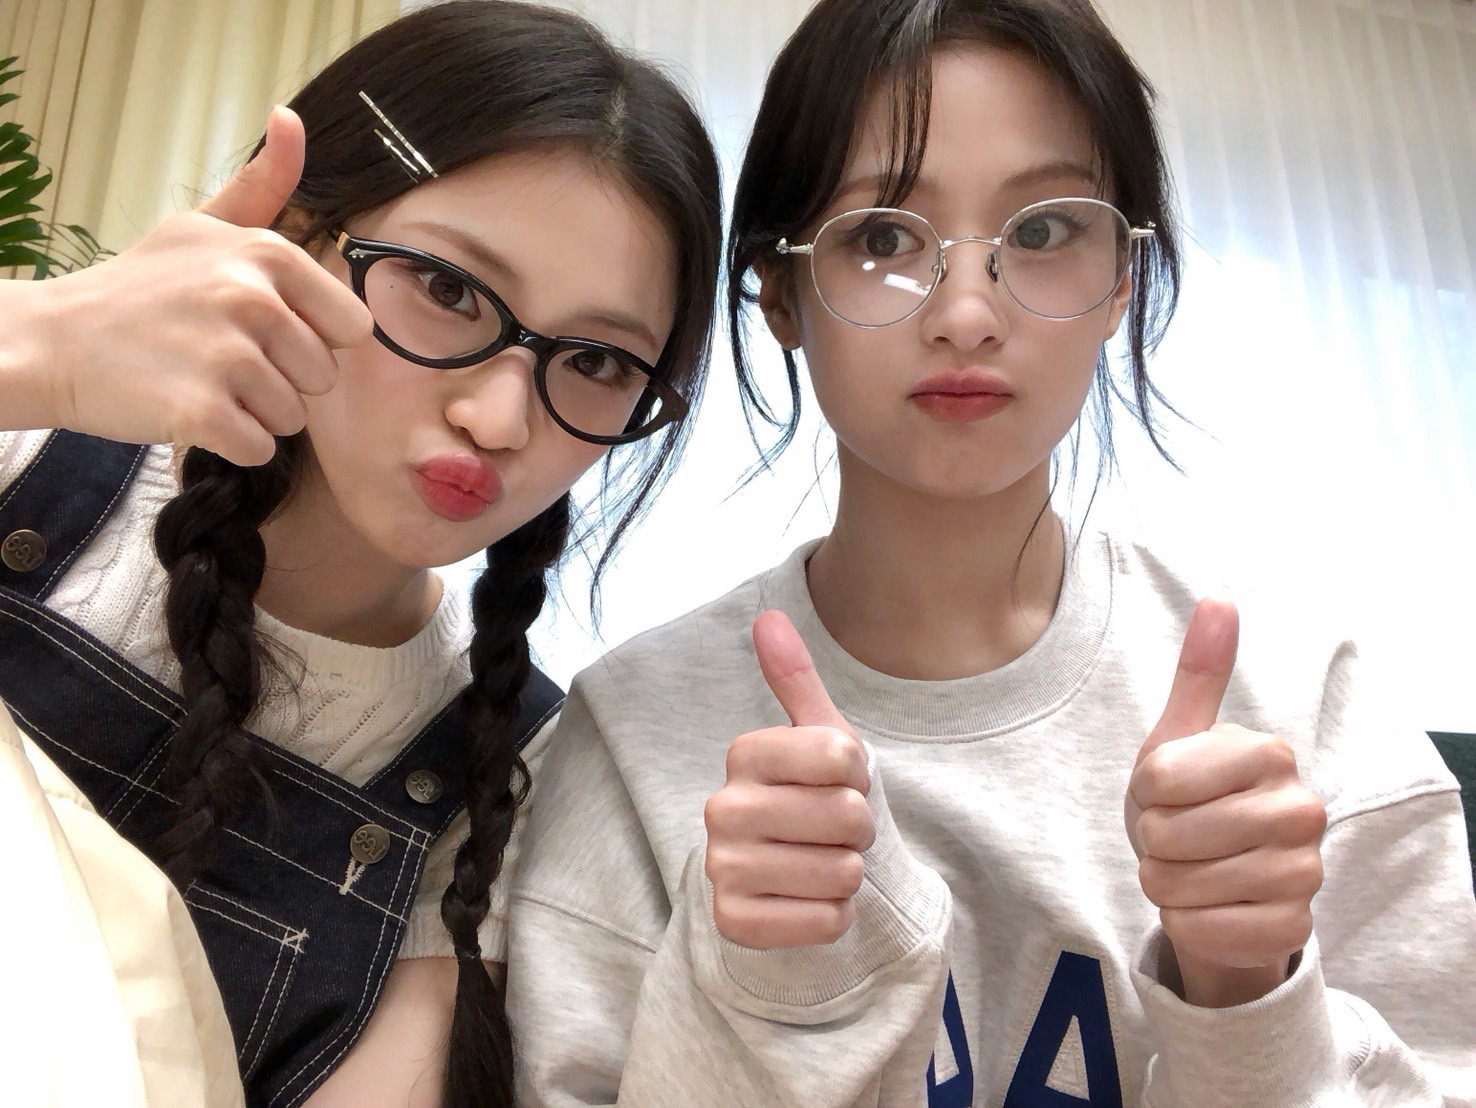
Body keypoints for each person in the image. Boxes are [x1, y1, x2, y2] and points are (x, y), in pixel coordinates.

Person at [504, 0, 1476, 1103]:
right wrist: (772, 996)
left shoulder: (1305, 705)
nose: (966, 313)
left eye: (1044, 232)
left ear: (1121, 281)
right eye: (882, 238)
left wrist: (1247, 996)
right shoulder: (632, 739)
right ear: (779, 291)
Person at [0, 2, 721, 1105]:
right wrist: (40, 343)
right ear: (298, 233)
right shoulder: (32, 449)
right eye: (448, 290)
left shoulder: (502, 778)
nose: (498, 417)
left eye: (596, 362)